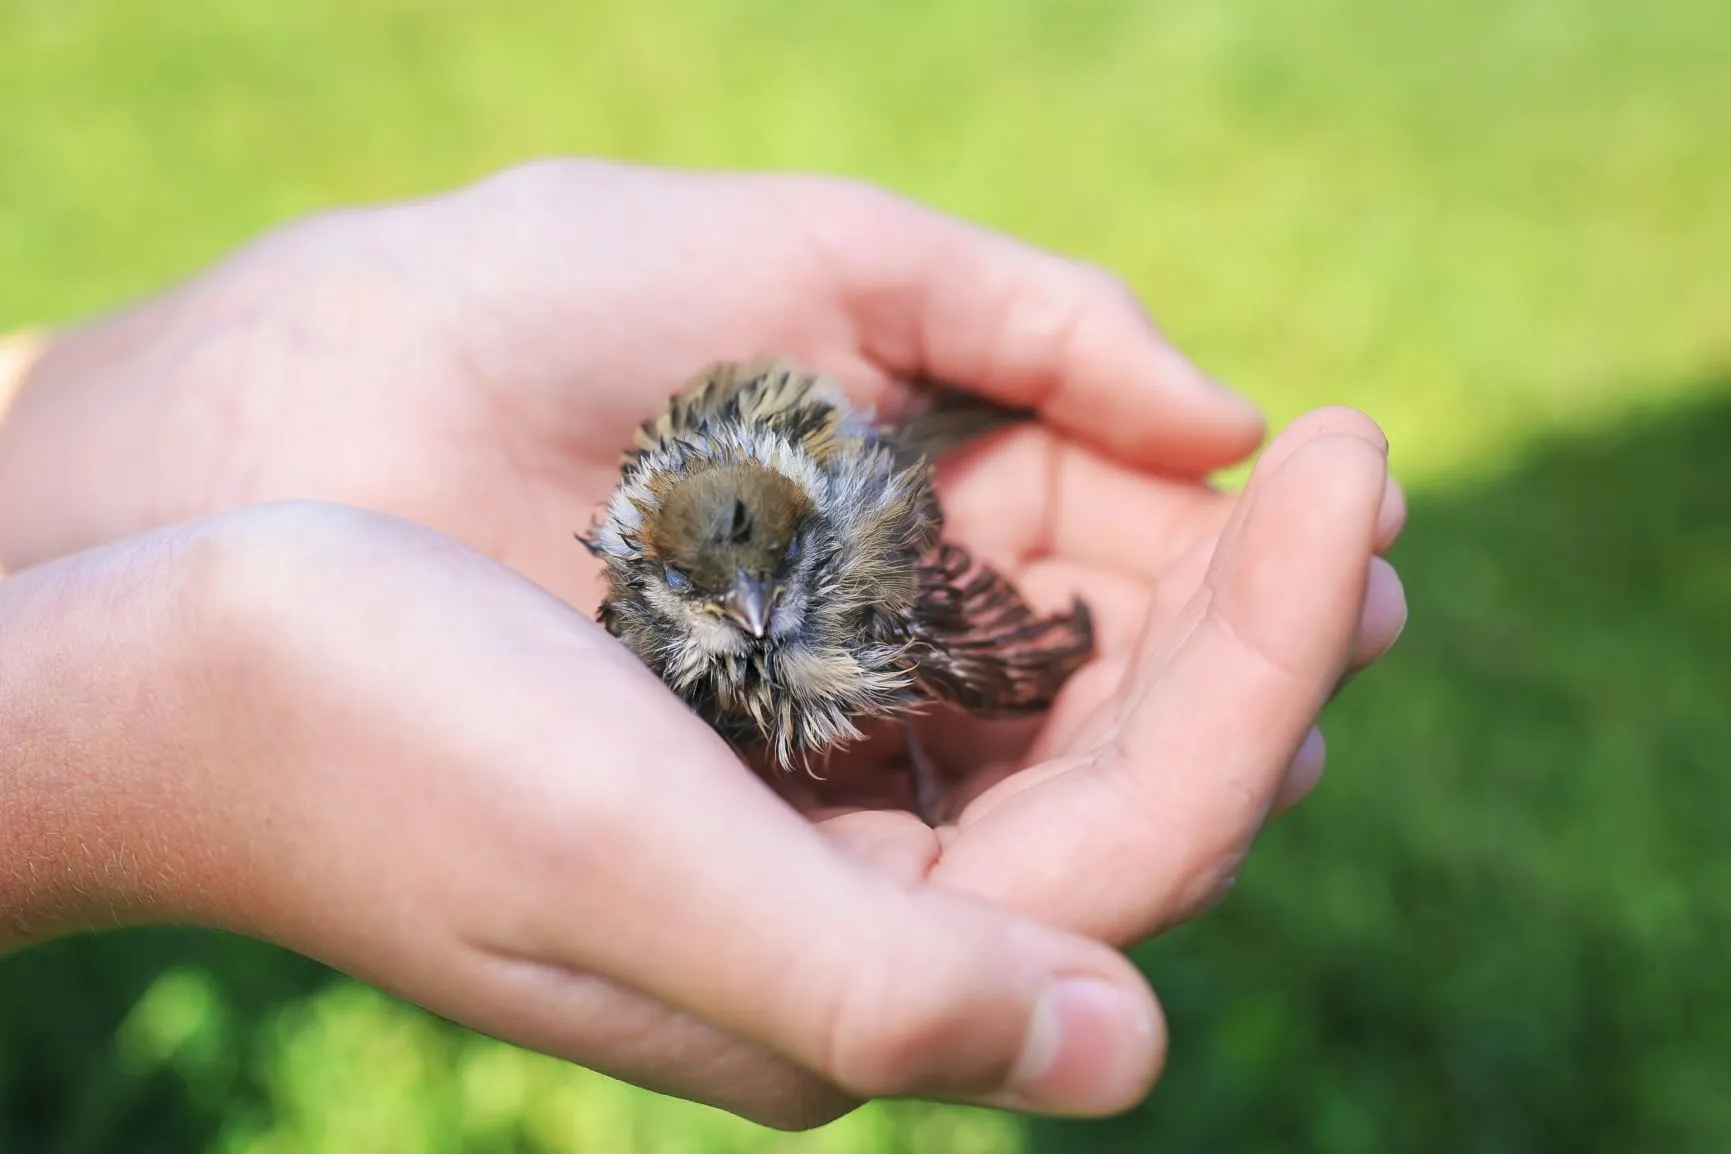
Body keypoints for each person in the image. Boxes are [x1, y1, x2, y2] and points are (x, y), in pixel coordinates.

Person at [0, 159, 1407, 1129]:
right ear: (654, 569)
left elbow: (965, 635)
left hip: (832, 477)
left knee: (908, 669)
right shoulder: (655, 565)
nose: (751, 616)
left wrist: (987, 690)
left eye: (767, 586)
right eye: (712, 598)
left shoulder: (849, 551)